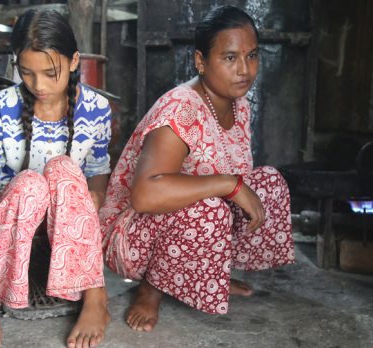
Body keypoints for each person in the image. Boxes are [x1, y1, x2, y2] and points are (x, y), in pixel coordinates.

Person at [99, 5, 295, 332]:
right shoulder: (181, 109)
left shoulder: (238, 102)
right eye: (230, 57)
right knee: (211, 209)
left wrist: (234, 186)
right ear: (201, 61)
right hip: (130, 236)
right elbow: (145, 196)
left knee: (268, 184)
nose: (244, 69)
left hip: (186, 220)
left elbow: (236, 176)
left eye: (252, 55)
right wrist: (229, 186)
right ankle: (150, 289)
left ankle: (210, 272)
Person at [0, 9, 111, 348]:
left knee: (62, 169)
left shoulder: (97, 108)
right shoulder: (0, 106)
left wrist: (92, 203)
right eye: (27, 72)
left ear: (74, 61)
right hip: (16, 220)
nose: (39, 85)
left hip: (70, 222)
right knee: (30, 182)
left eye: (50, 73)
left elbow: (98, 170)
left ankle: (95, 298)